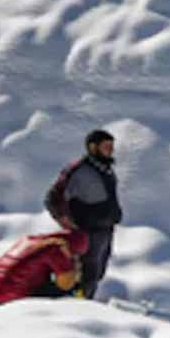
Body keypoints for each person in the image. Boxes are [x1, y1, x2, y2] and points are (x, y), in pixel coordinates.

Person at [45, 128, 122, 298]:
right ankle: (78, 308)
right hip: (86, 232)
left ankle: (85, 303)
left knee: (97, 273)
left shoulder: (106, 169)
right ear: (93, 147)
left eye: (111, 146)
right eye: (106, 146)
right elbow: (53, 198)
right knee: (85, 274)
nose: (111, 149)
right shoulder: (78, 170)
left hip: (105, 230)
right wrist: (67, 223)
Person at [0, 229, 89, 308]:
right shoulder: (56, 249)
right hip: (8, 300)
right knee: (67, 294)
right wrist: (73, 268)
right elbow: (66, 285)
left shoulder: (29, 240)